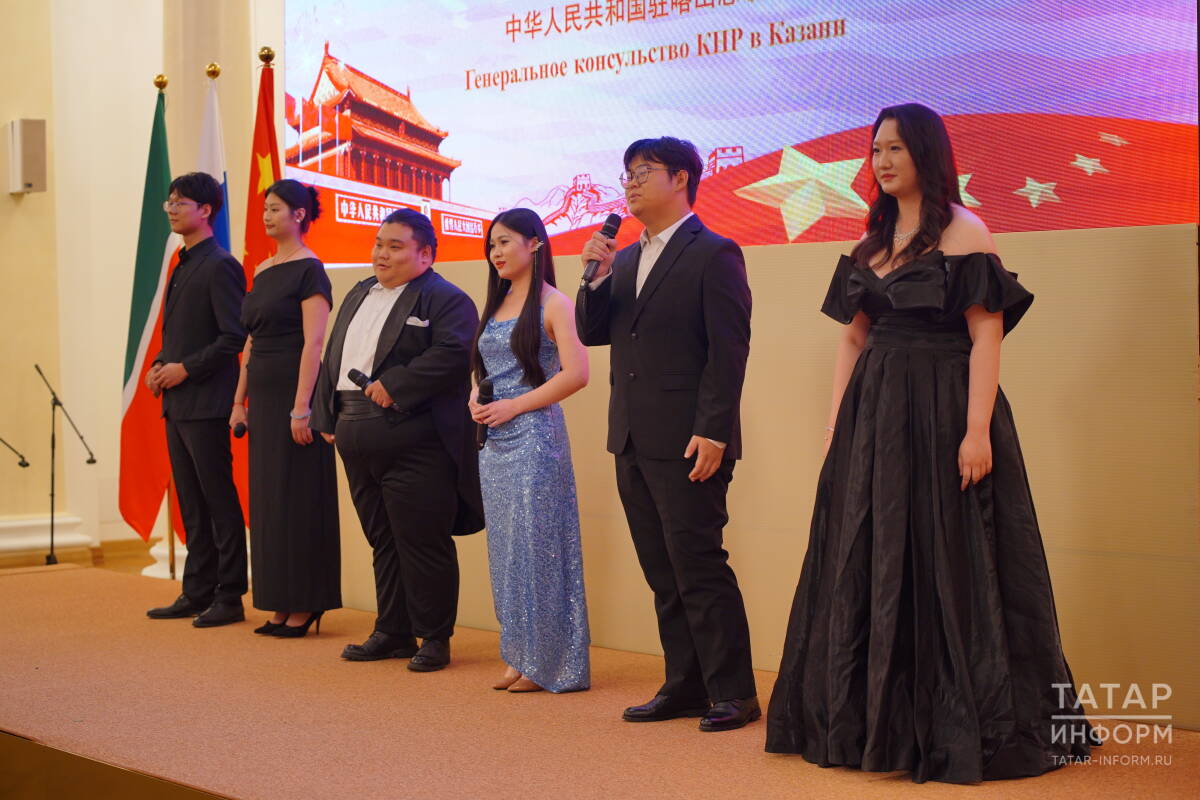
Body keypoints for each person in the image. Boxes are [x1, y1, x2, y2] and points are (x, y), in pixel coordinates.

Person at [765, 103, 1095, 782]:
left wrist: (976, 431)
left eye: (896, 148)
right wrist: (835, 426)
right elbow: (852, 339)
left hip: (945, 411)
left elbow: (986, 334)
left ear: (926, 153)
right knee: (873, 553)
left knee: (951, 553)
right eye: (875, 149)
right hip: (874, 418)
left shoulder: (966, 231)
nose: (882, 161)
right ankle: (872, 724)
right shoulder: (869, 245)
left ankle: (958, 724)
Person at [576, 137, 757, 731]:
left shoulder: (715, 252)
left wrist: (714, 432)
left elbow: (728, 352)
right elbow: (594, 332)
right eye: (626, 173)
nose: (630, 183)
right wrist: (594, 279)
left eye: (643, 171)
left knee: (698, 564)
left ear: (681, 178)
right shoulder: (625, 259)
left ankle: (734, 691)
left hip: (689, 440)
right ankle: (685, 684)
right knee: (662, 570)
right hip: (631, 435)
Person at [311, 208, 484, 671]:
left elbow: (455, 354)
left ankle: (435, 636)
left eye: (394, 246)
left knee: (422, 540)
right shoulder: (358, 292)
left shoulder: (446, 298)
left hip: (416, 437)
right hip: (354, 430)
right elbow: (335, 355)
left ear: (425, 255)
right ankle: (393, 630)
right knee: (383, 538)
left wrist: (397, 384)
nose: (381, 254)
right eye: (378, 244)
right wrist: (326, 414)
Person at [469, 208, 590, 693]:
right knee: (505, 549)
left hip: (536, 438)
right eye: (491, 244)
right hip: (495, 442)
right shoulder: (497, 301)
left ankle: (548, 661)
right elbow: (486, 367)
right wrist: (475, 397)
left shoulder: (554, 302)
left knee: (537, 549)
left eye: (504, 242)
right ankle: (518, 653)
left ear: (535, 243)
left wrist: (516, 405)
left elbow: (577, 373)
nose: (495, 252)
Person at [231, 179, 340, 638]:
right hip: (263, 396)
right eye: (265, 209)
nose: (267, 216)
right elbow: (250, 342)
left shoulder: (310, 270)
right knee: (270, 501)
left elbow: (314, 342)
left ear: (299, 215)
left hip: (296, 396)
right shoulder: (262, 269)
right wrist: (239, 401)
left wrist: (301, 408)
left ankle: (306, 602)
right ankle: (278, 600)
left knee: (298, 498)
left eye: (275, 208)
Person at [145, 172, 248, 628]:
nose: (170, 208)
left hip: (207, 402)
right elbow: (181, 333)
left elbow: (233, 336)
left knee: (217, 499)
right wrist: (160, 365)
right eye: (169, 201)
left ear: (205, 210)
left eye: (180, 202)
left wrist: (185, 368)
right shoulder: (182, 263)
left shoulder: (220, 265)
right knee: (190, 501)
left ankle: (230, 594)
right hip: (178, 403)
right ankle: (197, 589)